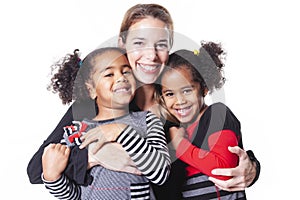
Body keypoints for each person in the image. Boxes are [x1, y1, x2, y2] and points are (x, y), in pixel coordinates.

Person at [27, 3, 260, 198]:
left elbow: (219, 146)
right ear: (122, 43)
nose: (151, 55)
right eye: (139, 43)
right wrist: (92, 157)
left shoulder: (179, 100)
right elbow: (38, 170)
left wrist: (252, 167)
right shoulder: (96, 104)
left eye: (160, 45)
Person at [41, 47, 171, 199]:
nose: (121, 78)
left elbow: (161, 174)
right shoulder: (78, 132)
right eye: (109, 74)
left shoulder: (147, 121)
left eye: (126, 71)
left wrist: (121, 132)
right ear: (91, 90)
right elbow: (75, 195)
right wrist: (52, 178)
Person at [155, 41, 247, 199]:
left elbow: (224, 172)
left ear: (204, 88)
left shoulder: (217, 115)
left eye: (186, 90)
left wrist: (180, 145)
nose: (180, 100)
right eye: (170, 94)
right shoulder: (174, 130)